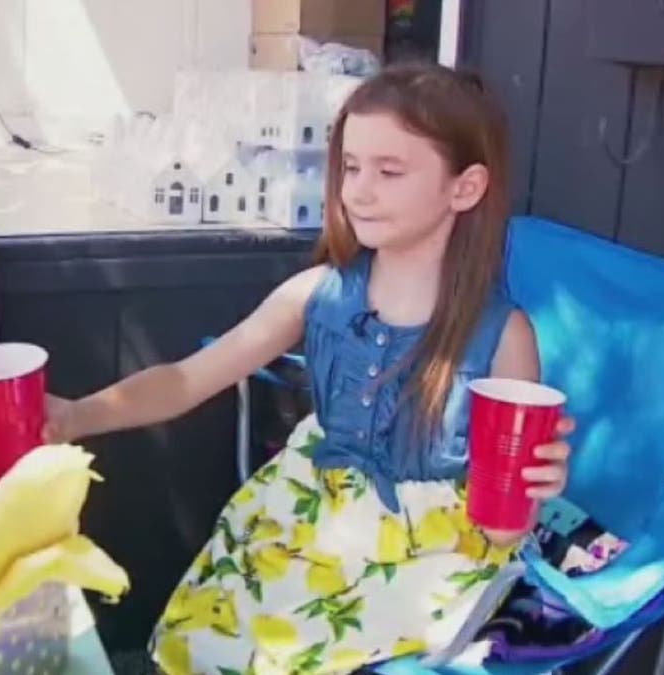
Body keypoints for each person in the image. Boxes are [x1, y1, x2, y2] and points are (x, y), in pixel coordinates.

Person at [44, 62, 574, 674]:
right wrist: (76, 415)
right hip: (306, 521)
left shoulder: (501, 335)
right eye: (350, 166)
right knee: (213, 647)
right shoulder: (316, 295)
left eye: (389, 171)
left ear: (465, 188)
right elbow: (187, 379)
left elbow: (505, 525)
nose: (358, 190)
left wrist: (535, 489)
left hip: (424, 560)